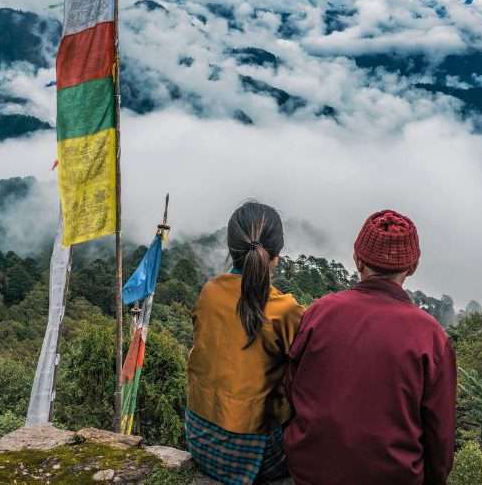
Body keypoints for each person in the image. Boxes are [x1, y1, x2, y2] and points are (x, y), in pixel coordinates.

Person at [284, 210, 457, 485]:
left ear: (357, 259)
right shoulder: (431, 337)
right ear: (412, 267)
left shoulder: (319, 312)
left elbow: (291, 389)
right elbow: (440, 433)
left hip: (309, 471)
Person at [186, 202, 304, 484]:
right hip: (254, 453)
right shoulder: (285, 309)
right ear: (275, 256)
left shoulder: (210, 292)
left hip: (199, 438)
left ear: (231, 247)